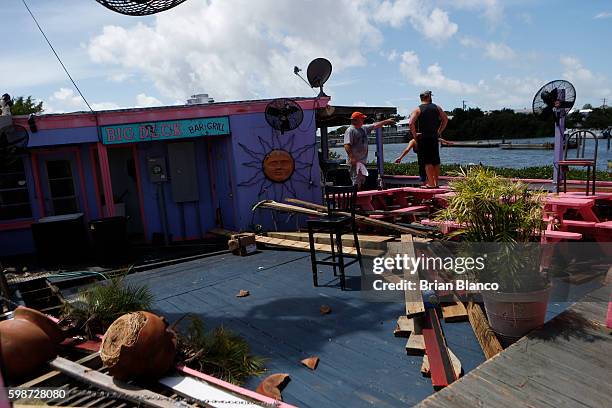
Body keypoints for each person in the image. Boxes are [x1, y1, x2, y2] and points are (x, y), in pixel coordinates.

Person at [343, 111, 395, 189]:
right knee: (356, 181)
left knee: (362, 180)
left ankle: (360, 195)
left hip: (362, 161)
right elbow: (347, 145)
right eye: (362, 119)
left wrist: (387, 121)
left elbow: (375, 125)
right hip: (355, 162)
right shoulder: (350, 130)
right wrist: (352, 158)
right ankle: (356, 197)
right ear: (356, 120)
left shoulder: (363, 128)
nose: (363, 120)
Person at [409, 90, 448, 188]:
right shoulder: (437, 108)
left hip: (424, 137)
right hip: (434, 136)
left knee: (427, 161)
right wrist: (439, 131)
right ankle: (436, 183)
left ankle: (431, 184)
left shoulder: (417, 109)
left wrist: (415, 136)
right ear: (429, 97)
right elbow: (445, 119)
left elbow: (411, 123)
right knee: (435, 160)